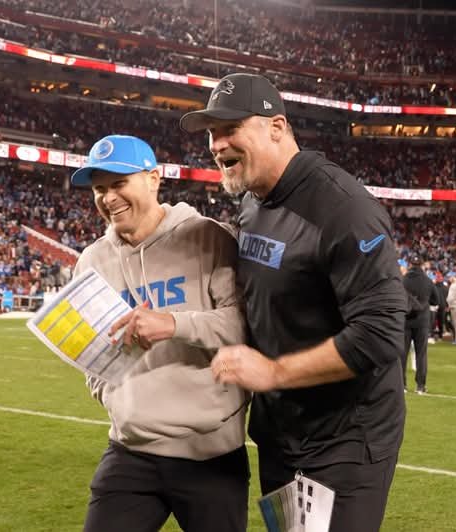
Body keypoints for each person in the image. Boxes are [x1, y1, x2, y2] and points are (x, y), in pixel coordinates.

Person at [181, 73, 407, 532]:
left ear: (277, 127)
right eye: (211, 132)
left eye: (229, 128)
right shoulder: (252, 202)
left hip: (345, 438)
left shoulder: (344, 209)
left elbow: (381, 333)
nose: (216, 143)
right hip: (281, 433)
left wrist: (275, 372)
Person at [70, 134, 250, 532]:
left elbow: (243, 326)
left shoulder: (208, 238)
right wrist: (112, 395)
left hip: (210, 454)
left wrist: (173, 324)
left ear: (153, 179)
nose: (108, 197)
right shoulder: (92, 261)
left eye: (119, 184)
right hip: (130, 451)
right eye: (99, 188)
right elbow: (89, 351)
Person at [402, 255, 438, 394]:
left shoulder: (403, 280)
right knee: (421, 354)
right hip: (422, 321)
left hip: (405, 321)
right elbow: (436, 301)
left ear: (410, 264)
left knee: (402, 354)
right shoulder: (428, 281)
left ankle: (403, 385)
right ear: (422, 264)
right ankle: (420, 386)